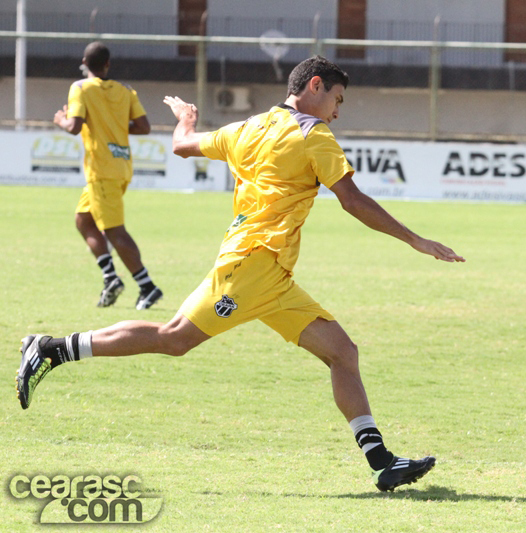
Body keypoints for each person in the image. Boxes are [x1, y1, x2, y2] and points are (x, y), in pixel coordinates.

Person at [18, 56, 465, 492]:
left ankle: (381, 463)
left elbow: (182, 145)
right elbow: (352, 199)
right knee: (174, 338)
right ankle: (52, 348)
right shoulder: (315, 135)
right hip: (252, 266)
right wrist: (415, 240)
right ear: (315, 87)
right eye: (338, 98)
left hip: (274, 278)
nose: (338, 109)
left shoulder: (246, 127)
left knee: (343, 353)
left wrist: (186, 118)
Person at [53, 41, 163, 310]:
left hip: (102, 170)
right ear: (107, 65)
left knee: (114, 231)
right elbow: (144, 127)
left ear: (84, 63)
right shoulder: (126, 90)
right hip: (121, 165)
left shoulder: (79, 88)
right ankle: (111, 277)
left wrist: (60, 120)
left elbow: (74, 126)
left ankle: (147, 286)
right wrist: (116, 128)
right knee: (83, 221)